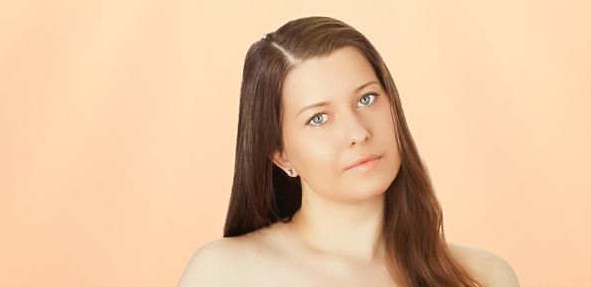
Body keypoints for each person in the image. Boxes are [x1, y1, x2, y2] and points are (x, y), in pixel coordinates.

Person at [177, 16, 520, 287]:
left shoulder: (484, 277)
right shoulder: (226, 274)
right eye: (318, 118)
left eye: (366, 99)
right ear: (281, 155)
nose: (358, 132)